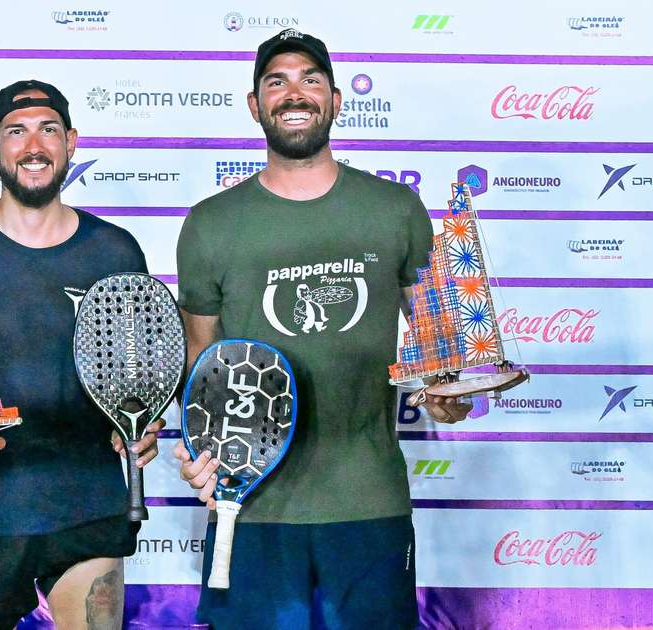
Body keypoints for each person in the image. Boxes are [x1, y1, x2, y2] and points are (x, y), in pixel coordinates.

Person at [173, 30, 474, 629]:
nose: (294, 92)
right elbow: (198, 359)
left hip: (368, 500)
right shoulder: (209, 224)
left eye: (310, 79)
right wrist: (198, 451)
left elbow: (438, 343)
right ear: (254, 105)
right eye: (276, 81)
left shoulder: (395, 209)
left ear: (336, 100)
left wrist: (450, 392)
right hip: (250, 506)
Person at [0, 80, 164, 630]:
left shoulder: (115, 250)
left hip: (85, 496)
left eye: (48, 129)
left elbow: (137, 378)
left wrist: (141, 423)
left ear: (71, 142)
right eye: (15, 132)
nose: (33, 145)